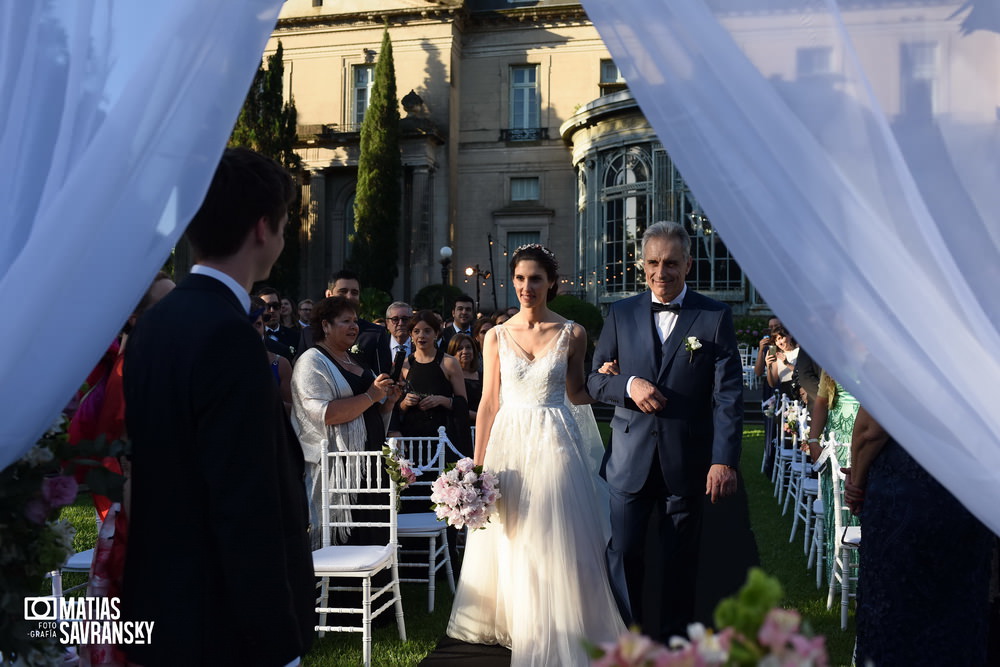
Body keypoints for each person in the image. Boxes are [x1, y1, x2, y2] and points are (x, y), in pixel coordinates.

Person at [122, 147, 315, 666]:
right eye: (284, 222)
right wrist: (277, 641)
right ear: (262, 229)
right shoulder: (230, 337)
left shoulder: (152, 327)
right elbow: (245, 504)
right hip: (225, 626)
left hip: (164, 611)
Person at [447, 244, 625, 666]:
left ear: (551, 283)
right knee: (514, 534)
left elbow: (577, 394)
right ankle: (524, 620)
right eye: (521, 279)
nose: (527, 287)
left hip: (556, 439)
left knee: (556, 530)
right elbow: (489, 402)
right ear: (513, 281)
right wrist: (474, 467)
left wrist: (606, 382)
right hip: (509, 443)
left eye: (536, 279)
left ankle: (561, 624)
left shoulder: (573, 333)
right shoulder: (494, 336)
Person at [587, 220, 743, 641]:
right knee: (624, 553)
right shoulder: (620, 314)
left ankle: (672, 642)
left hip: (687, 461)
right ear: (642, 265)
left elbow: (728, 397)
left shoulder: (714, 317)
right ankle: (628, 636)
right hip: (628, 459)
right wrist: (628, 385)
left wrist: (723, 459)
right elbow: (594, 381)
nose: (662, 272)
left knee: (680, 559)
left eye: (671, 263)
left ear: (688, 264)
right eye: (653, 263)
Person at [71, 271, 175, 667]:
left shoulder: (144, 356)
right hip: (138, 507)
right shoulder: (132, 365)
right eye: (163, 304)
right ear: (136, 316)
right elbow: (126, 449)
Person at [847, 407, 993, 665]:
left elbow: (871, 430)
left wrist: (856, 484)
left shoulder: (905, 364)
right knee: (958, 615)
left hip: (908, 498)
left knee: (896, 617)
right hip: (971, 492)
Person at [290, 296, 400, 548]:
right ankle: (340, 586)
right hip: (340, 469)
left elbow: (368, 409)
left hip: (370, 464)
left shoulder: (356, 360)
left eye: (355, 321)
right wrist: (371, 395)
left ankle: (373, 583)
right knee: (349, 534)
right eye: (345, 321)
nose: (354, 326)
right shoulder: (312, 361)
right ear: (325, 325)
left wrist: (388, 402)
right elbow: (324, 413)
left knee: (374, 532)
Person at [398, 310, 470, 454]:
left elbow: (463, 404)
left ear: (436, 334)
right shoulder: (405, 364)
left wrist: (442, 400)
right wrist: (405, 402)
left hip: (443, 437)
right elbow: (396, 408)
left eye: (427, 331)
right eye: (416, 331)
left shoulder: (449, 362)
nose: (421, 336)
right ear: (411, 335)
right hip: (413, 439)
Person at [326, 269, 390, 374]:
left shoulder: (375, 334)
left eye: (354, 292)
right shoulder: (310, 333)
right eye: (343, 292)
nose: (349, 297)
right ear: (329, 295)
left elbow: (382, 378)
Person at [250, 296, 293, 412]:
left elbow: (293, 409)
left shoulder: (280, 363)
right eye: (249, 324)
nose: (254, 330)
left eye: (258, 324)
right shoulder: (225, 362)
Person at [447, 333, 482, 422]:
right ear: (452, 353)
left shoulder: (483, 376)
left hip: (482, 425)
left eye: (468, 347)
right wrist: (480, 418)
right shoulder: (447, 377)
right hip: (458, 425)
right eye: (459, 349)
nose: (465, 351)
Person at [257, 286, 297, 361]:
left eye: (276, 306)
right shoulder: (255, 337)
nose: (272, 310)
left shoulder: (295, 336)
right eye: (267, 306)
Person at [764, 325, 799, 399]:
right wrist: (768, 366)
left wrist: (787, 364)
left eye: (781, 338)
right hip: (785, 392)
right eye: (776, 340)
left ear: (790, 336)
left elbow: (803, 372)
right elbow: (772, 383)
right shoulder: (777, 356)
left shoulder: (799, 351)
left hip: (800, 389)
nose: (779, 343)